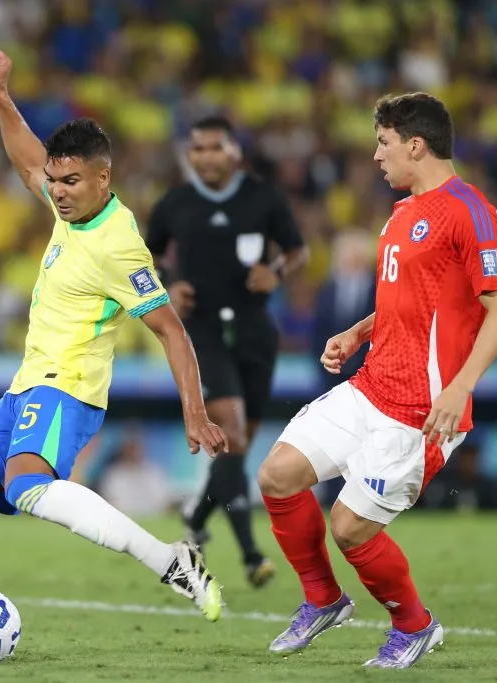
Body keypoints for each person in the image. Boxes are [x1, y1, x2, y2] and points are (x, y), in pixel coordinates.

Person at [0, 48, 229, 661]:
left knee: (28, 487)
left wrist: (195, 412)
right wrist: (2, 96)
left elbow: (171, 330)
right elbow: (25, 158)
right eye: (55, 182)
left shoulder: (118, 245)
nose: (56, 192)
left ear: (102, 179)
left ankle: (170, 560)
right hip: (28, 382)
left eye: (70, 182)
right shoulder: (68, 207)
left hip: (70, 387)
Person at [256, 92, 497, 669]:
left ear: (416, 145)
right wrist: (358, 331)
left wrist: (460, 388)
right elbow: (410, 302)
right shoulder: (404, 211)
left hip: (422, 411)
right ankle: (323, 599)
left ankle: (415, 626)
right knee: (277, 476)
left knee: (349, 527)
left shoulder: (470, 210)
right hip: (370, 386)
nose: (377, 156)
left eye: (383, 143)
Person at [146, 116, 307, 588]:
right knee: (231, 435)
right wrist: (169, 284)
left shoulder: (264, 197)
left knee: (237, 447)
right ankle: (252, 554)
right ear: (189, 155)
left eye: (215, 148)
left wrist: (277, 271)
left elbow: (299, 251)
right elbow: (145, 255)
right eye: (198, 149)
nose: (206, 157)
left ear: (234, 152)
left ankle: (196, 516)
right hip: (202, 335)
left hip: (256, 333)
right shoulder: (175, 204)